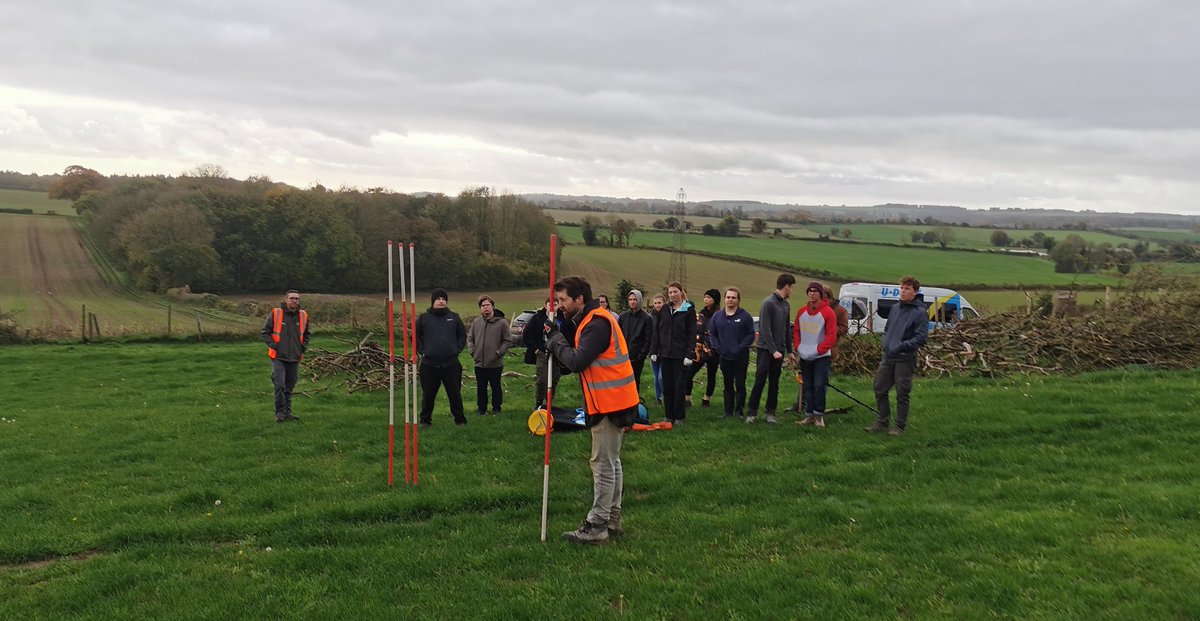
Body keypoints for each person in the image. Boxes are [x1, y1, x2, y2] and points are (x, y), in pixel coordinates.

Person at [546, 276, 640, 545]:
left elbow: (577, 361)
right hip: (614, 400)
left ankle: (597, 525)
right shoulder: (592, 321)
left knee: (603, 465)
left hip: (610, 402)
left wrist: (555, 341)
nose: (560, 305)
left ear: (579, 299)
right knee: (612, 462)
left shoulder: (597, 323)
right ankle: (612, 519)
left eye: (563, 300)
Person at [868, 276, 929, 436]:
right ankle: (882, 423)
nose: (903, 291)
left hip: (905, 358)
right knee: (879, 388)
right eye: (901, 288)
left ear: (915, 292)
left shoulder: (920, 313)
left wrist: (902, 346)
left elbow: (921, 338)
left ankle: (899, 427)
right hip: (888, 356)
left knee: (902, 393)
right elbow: (888, 329)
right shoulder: (895, 308)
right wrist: (886, 342)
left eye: (907, 288)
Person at [746, 273, 795, 424]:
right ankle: (752, 413)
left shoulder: (786, 305)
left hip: (779, 351)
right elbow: (765, 329)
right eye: (791, 288)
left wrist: (790, 351)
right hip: (765, 350)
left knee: (775, 382)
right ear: (786, 286)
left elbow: (787, 330)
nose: (792, 291)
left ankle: (770, 412)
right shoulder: (768, 303)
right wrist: (773, 351)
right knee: (760, 380)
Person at [416, 288, 468, 426]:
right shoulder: (423, 318)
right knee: (428, 395)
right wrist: (423, 350)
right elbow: (416, 337)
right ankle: (425, 420)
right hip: (429, 364)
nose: (441, 301)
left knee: (455, 394)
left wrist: (456, 349)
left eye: (444, 299)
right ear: (433, 301)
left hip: (451, 364)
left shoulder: (454, 317)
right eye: (438, 299)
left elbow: (462, 335)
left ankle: (460, 420)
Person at [261, 289, 311, 423]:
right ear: (286, 300)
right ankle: (279, 413)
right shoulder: (276, 313)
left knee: (290, 386)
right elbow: (265, 332)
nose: (294, 300)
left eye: (297, 298)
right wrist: (274, 345)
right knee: (279, 384)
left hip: (295, 356)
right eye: (292, 298)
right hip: (278, 356)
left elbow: (307, 334)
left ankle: (288, 412)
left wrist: (303, 347)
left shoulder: (303, 315)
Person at [650, 282, 696, 425]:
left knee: (679, 385)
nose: (672, 295)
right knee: (667, 385)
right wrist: (654, 350)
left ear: (681, 292)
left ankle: (679, 416)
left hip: (680, 355)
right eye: (670, 292)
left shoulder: (688, 309)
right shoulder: (664, 309)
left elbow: (691, 333)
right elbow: (658, 331)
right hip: (665, 354)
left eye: (675, 292)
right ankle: (669, 415)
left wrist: (689, 354)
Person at [793, 281, 838, 428]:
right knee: (808, 386)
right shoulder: (801, 312)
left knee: (819, 385)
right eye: (810, 291)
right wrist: (799, 347)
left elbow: (831, 334)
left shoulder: (828, 312)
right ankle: (809, 414)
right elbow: (796, 331)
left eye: (815, 291)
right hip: (805, 355)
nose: (812, 293)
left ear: (820, 294)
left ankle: (819, 416)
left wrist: (820, 349)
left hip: (820, 356)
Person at [707, 287, 756, 419]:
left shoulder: (745, 316)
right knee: (727, 384)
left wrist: (740, 348)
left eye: (733, 297)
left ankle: (739, 411)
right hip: (724, 356)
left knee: (740, 384)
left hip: (740, 357)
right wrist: (718, 348)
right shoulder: (717, 316)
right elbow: (713, 334)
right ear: (724, 299)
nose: (730, 299)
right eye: (728, 297)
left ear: (738, 300)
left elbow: (751, 335)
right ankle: (727, 411)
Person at [524, 298, 573, 410]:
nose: (552, 307)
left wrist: (568, 349)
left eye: (555, 305)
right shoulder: (538, 319)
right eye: (550, 304)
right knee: (542, 379)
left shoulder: (563, 319)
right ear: (545, 306)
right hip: (542, 352)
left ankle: (549, 402)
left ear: (558, 306)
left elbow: (571, 334)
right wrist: (535, 349)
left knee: (554, 378)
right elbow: (527, 334)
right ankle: (539, 402)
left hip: (558, 353)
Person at [467, 295, 511, 416]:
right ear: (480, 308)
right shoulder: (476, 322)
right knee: (481, 387)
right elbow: (470, 338)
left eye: (487, 305)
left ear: (492, 307)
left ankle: (496, 408)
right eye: (483, 306)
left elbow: (508, 340)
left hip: (495, 362)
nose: (485, 308)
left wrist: (499, 353)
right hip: (479, 362)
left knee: (495, 386)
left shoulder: (501, 323)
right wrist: (472, 351)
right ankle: (482, 409)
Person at [686, 288, 721, 407]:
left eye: (709, 297)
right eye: (705, 297)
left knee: (711, 376)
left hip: (713, 351)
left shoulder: (720, 315)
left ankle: (707, 399)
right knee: (688, 374)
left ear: (715, 300)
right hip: (699, 350)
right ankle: (687, 399)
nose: (706, 299)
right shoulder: (701, 313)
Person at [618, 289, 653, 397]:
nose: (632, 302)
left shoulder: (647, 318)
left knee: (634, 381)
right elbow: (618, 336)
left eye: (635, 299)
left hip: (636, 357)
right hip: (623, 355)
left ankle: (634, 404)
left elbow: (648, 339)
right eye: (630, 299)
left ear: (639, 300)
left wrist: (640, 356)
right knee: (621, 381)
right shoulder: (623, 317)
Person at [648, 293, 667, 403]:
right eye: (655, 303)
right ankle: (658, 398)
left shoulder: (667, 316)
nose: (657, 305)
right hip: (653, 351)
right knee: (656, 377)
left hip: (664, 351)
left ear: (664, 303)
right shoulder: (651, 317)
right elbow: (651, 335)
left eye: (659, 303)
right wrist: (652, 351)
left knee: (661, 377)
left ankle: (666, 396)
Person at [824, 286, 850, 362]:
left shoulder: (841, 311)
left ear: (830, 298)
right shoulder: (814, 308)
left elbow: (844, 329)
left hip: (830, 350)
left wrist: (829, 328)